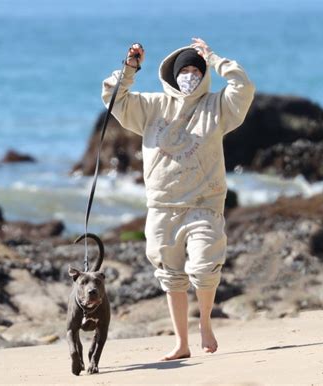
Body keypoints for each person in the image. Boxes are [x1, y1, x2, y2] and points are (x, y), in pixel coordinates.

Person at [102, 37, 255, 361]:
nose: (189, 75)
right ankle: (181, 342)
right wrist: (130, 68)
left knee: (203, 267)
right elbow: (114, 98)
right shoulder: (152, 106)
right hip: (162, 205)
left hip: (205, 202)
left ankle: (207, 324)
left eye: (195, 70)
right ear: (172, 74)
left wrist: (213, 58)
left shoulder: (217, 106)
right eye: (184, 70)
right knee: (169, 275)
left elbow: (242, 86)